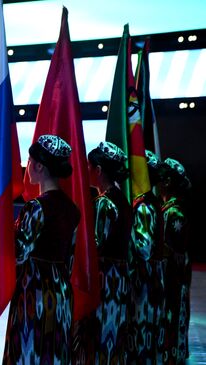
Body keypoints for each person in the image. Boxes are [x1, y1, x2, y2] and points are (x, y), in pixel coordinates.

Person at [3, 135, 80, 365]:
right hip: (61, 293)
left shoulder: (36, 207)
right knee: (54, 352)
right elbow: (71, 257)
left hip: (34, 293)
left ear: (38, 166)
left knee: (31, 351)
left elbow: (18, 254)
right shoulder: (72, 209)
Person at [87, 141, 132, 364]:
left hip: (105, 279)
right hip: (120, 278)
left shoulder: (104, 203)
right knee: (113, 334)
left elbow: (96, 245)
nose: (86, 171)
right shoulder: (123, 201)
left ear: (98, 171)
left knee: (101, 333)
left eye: (89, 167)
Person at [127, 150, 165, 364]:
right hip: (153, 278)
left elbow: (143, 249)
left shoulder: (143, 207)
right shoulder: (152, 202)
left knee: (141, 336)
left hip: (144, 282)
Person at [159, 157, 191, 364]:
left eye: (160, 178)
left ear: (168, 182)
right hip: (170, 278)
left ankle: (174, 355)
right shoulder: (168, 210)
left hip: (173, 279)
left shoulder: (174, 213)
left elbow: (177, 253)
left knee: (174, 314)